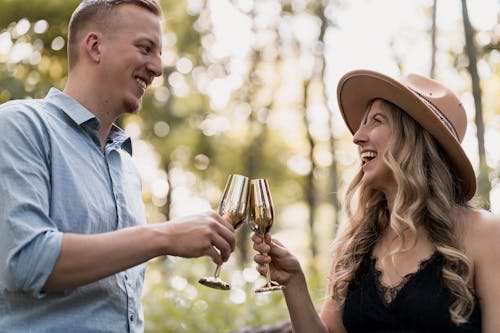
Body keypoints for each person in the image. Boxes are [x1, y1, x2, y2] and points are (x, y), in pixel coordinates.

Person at [0, 1, 235, 332]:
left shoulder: (125, 166)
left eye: (159, 53)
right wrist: (165, 235)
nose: (157, 68)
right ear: (95, 47)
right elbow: (26, 261)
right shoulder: (21, 125)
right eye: (145, 48)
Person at [252, 69, 500, 332]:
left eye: (376, 121)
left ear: (414, 138)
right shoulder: (355, 242)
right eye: (363, 123)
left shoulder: (486, 233)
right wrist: (293, 282)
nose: (357, 137)